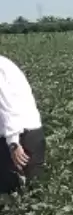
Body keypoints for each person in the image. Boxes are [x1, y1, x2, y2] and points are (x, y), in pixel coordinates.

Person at [0, 54, 46, 195]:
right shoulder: (4, 63)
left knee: (25, 190)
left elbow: (7, 106)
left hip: (22, 136)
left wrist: (13, 143)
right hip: (24, 133)